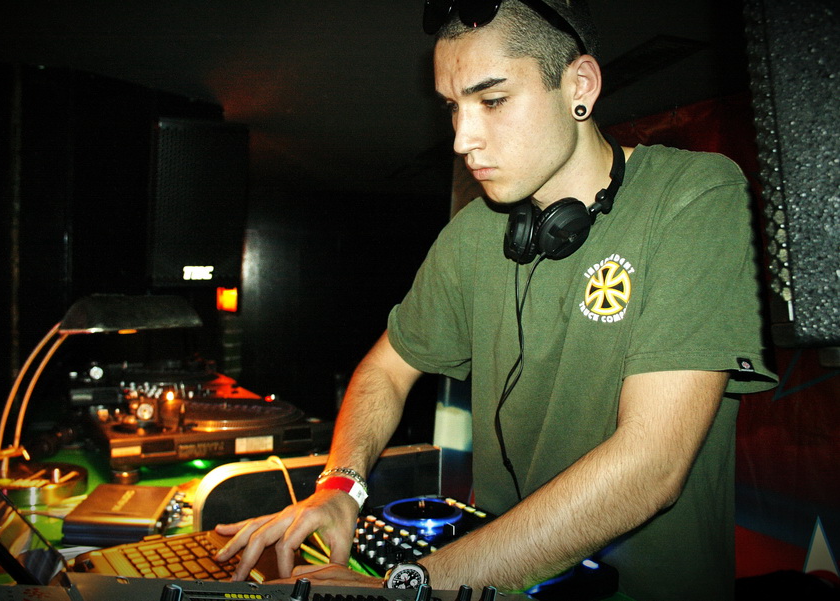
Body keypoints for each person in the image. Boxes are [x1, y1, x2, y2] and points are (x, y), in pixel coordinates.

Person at [214, 1, 777, 599]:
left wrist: (414, 585)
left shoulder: (693, 195)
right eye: (453, 107)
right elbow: (386, 369)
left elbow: (652, 464)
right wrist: (340, 487)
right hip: (497, 582)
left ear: (580, 86)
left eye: (493, 100)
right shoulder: (474, 233)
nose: (462, 138)